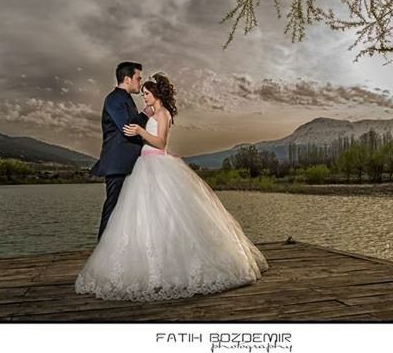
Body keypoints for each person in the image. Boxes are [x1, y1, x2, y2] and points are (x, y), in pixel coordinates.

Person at [75, 73, 268, 301]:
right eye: (143, 93)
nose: (144, 98)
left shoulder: (164, 113)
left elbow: (161, 142)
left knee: (167, 216)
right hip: (145, 165)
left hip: (155, 165)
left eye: (146, 94)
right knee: (145, 218)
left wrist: (140, 131)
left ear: (156, 94)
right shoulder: (154, 113)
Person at [90, 61, 153, 241]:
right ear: (127, 79)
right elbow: (126, 128)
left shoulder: (125, 98)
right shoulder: (114, 99)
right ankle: (102, 251)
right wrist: (145, 115)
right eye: (138, 78)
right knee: (113, 207)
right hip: (117, 163)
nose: (140, 83)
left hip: (131, 163)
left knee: (128, 209)